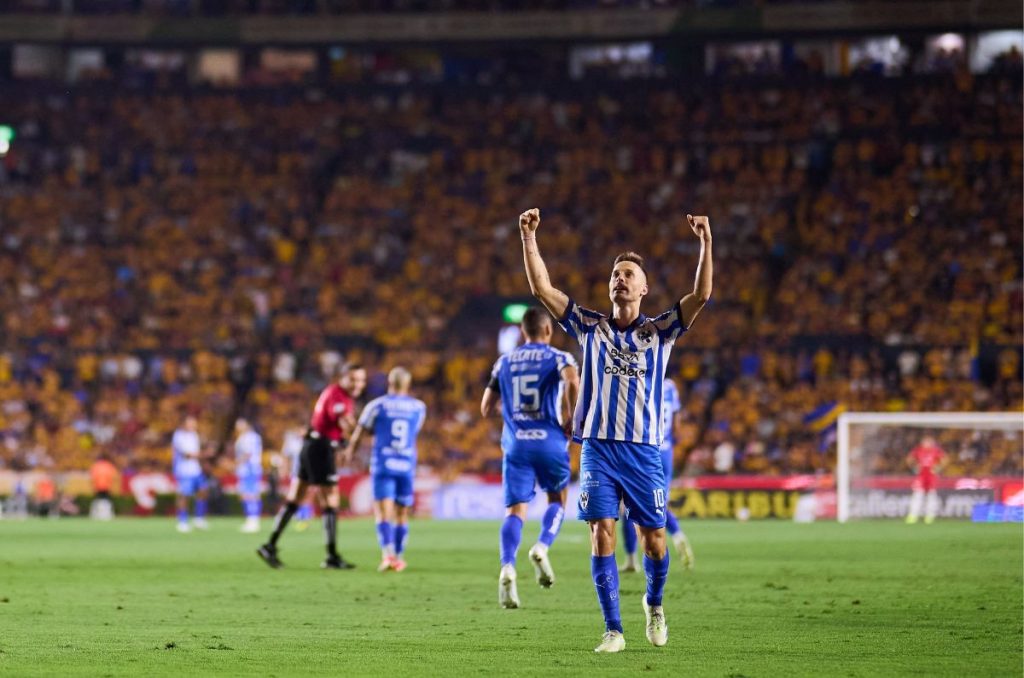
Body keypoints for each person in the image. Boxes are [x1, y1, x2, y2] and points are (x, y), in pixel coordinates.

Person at [518, 207, 713, 652]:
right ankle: (613, 629)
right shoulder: (589, 326)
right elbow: (541, 288)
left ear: (644, 288)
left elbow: (701, 295)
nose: (619, 279)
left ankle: (655, 604)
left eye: (628, 274)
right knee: (600, 531)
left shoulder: (662, 331)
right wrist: (529, 238)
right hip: (599, 450)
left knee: (655, 540)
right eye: (614, 274)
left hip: (643, 451)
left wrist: (705, 241)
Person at [481, 307, 579, 609]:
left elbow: (485, 407)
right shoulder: (560, 357)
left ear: (523, 332)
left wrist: (510, 411)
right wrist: (572, 418)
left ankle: (507, 566)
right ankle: (541, 547)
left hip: (516, 445)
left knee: (514, 511)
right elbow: (573, 382)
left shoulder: (504, 361)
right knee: (557, 500)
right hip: (549, 441)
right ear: (548, 331)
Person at [258, 363, 367, 569]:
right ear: (342, 378)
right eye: (353, 379)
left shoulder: (337, 394)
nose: (358, 384)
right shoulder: (337, 394)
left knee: (295, 498)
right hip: (320, 448)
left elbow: (332, 425)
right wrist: (363, 434)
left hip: (312, 445)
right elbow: (346, 423)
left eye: (361, 380)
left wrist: (344, 443)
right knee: (330, 500)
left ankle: (269, 545)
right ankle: (331, 555)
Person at [344, 367, 427, 573]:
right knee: (402, 514)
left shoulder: (377, 405)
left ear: (389, 383)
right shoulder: (418, 407)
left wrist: (350, 451)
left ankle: (387, 556)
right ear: (407, 384)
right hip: (406, 465)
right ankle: (399, 558)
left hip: (383, 463)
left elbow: (360, 431)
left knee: (382, 514)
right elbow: (413, 432)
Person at [621, 377, 695, 572]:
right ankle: (678, 534)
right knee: (659, 502)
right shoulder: (671, 386)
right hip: (666, 452)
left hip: (643, 450)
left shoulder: (636, 380)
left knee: (629, 504)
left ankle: (631, 560)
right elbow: (676, 424)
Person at [173, 415, 209, 532]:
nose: (194, 425)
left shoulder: (194, 435)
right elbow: (187, 454)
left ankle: (199, 519)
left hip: (195, 470)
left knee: (203, 491)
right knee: (184, 495)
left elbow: (196, 453)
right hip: (184, 471)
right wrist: (204, 454)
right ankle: (182, 521)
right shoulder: (178, 436)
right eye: (191, 423)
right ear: (184, 424)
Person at [277, 426, 314, 531]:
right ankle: (300, 517)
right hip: (297, 473)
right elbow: (286, 456)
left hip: (309, 474)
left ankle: (304, 519)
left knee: (305, 497)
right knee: (296, 496)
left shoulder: (312, 441)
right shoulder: (293, 443)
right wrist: (284, 469)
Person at [906, 435, 947, 524]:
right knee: (917, 495)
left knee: (931, 496)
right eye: (925, 442)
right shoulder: (918, 450)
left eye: (929, 442)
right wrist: (914, 467)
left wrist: (938, 468)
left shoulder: (936, 451)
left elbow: (944, 459)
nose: (927, 443)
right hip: (921, 477)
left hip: (931, 477)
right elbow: (909, 459)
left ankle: (930, 517)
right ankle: (913, 516)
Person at [234, 418, 264, 534]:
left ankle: (253, 520)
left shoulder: (249, 437)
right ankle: (251, 519)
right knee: (248, 494)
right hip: (247, 469)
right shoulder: (248, 437)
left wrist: (235, 463)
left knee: (250, 494)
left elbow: (247, 454)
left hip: (250, 469)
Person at [89, 454, 118, 521]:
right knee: (108, 501)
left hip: (98, 486)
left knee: (97, 501)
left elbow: (93, 477)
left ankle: (95, 515)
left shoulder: (96, 466)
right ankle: (108, 514)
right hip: (107, 486)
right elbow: (114, 477)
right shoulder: (110, 466)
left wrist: (93, 486)